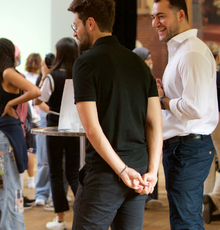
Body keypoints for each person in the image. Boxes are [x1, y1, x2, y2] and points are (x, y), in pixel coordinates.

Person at [68, 0, 163, 229]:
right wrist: (152, 170)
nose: (75, 33)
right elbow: (154, 123)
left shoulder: (85, 64)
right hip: (139, 173)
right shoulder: (139, 64)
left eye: (76, 26)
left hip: (105, 175)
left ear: (90, 23)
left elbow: (92, 129)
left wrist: (121, 170)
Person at [152, 0, 218, 228]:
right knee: (182, 219)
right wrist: (165, 94)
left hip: (188, 149)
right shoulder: (181, 50)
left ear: (180, 15)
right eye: (153, 17)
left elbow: (195, 108)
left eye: (161, 16)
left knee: (186, 222)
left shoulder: (192, 52)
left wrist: (163, 100)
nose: (155, 23)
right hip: (182, 148)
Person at [0, 38, 41, 230]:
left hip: (5, 139)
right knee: (2, 187)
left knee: (10, 189)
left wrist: (10, 103)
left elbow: (35, 90)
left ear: (3, 55)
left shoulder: (8, 72)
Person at [34, 37, 80, 229]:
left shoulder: (53, 76)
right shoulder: (79, 74)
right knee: (73, 173)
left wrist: (45, 75)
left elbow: (38, 100)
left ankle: (60, 220)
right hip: (74, 127)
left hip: (54, 126)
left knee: (55, 172)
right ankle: (83, 215)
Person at [133, 46, 164, 210]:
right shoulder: (133, 79)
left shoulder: (147, 79)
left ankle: (150, 195)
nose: (150, 62)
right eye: (148, 58)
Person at [203, 41, 220, 224]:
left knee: (208, 165)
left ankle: (205, 200)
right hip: (219, 121)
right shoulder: (217, 75)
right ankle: (215, 199)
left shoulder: (202, 77)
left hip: (204, 122)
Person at [23, 53, 42, 189]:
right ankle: (32, 180)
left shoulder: (22, 77)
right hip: (37, 119)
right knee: (33, 151)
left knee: (28, 150)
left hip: (26, 117)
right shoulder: (40, 79)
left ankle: (29, 180)